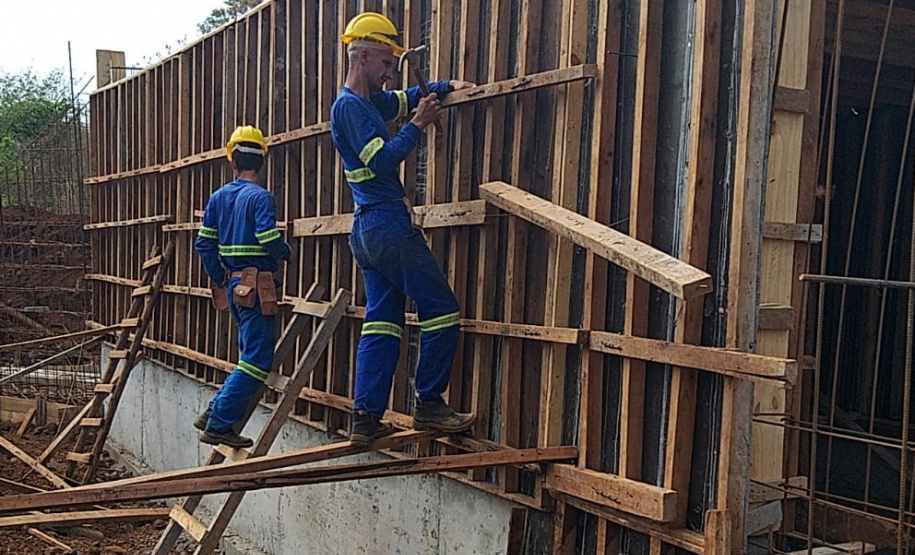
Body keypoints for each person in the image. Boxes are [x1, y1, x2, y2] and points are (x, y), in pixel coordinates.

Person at [330, 12, 476, 444]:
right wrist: (418, 125)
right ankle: (429, 403)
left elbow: (405, 97)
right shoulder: (350, 109)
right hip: (386, 223)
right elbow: (379, 160)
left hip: (368, 231)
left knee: (383, 321)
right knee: (442, 308)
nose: (390, 73)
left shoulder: (367, 102)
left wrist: (444, 89)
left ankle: (364, 416)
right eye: (385, 64)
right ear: (364, 57)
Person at [192, 125, 291, 448]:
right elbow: (266, 237)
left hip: (234, 286)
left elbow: (204, 245)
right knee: (257, 361)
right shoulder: (261, 198)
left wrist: (219, 278)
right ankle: (219, 423)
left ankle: (212, 413)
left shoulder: (218, 198)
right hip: (257, 288)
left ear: (232, 161)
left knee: (247, 356)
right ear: (262, 161)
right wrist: (284, 253)